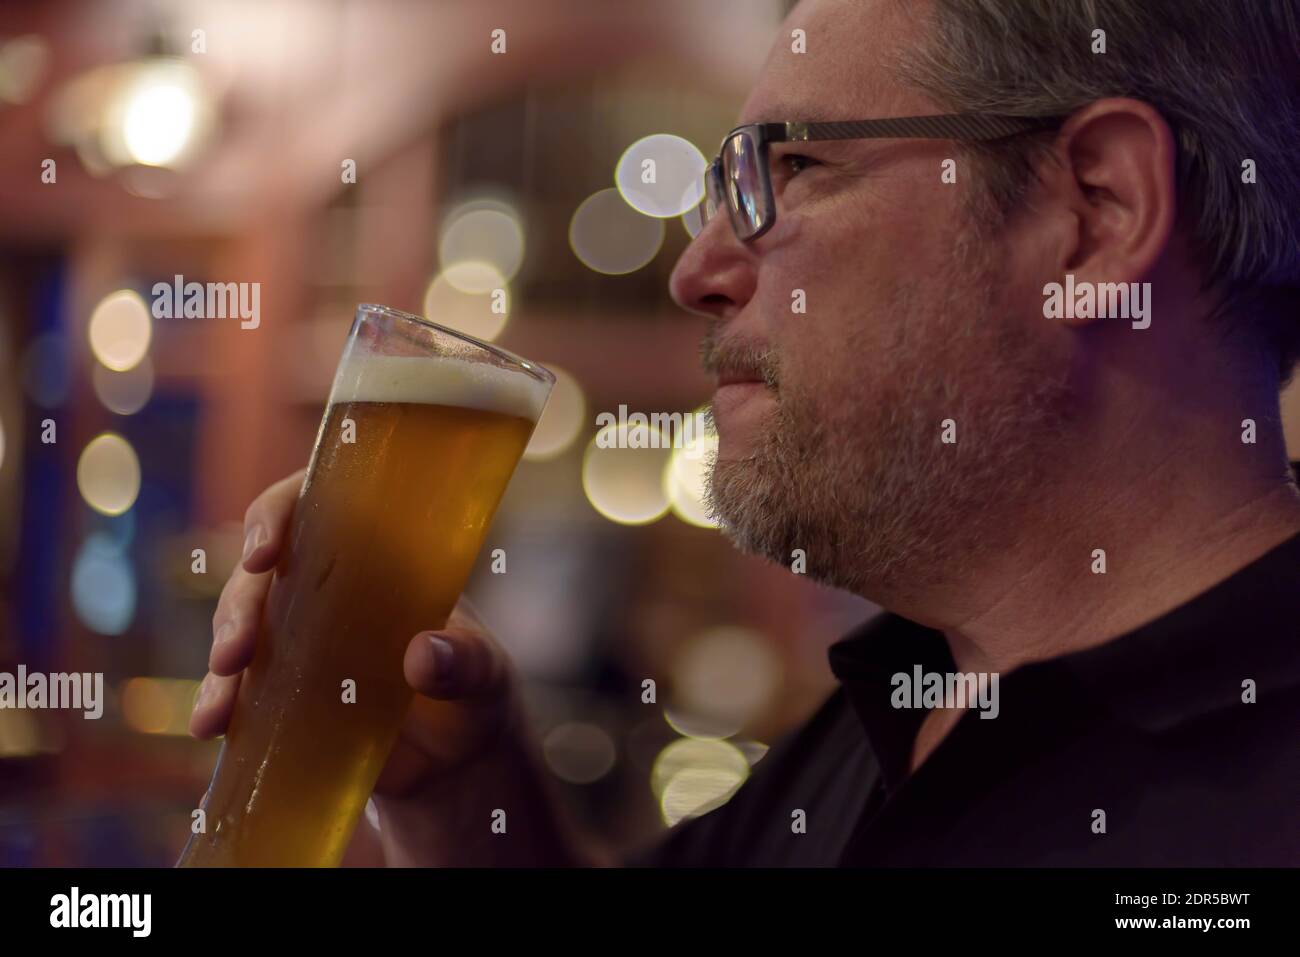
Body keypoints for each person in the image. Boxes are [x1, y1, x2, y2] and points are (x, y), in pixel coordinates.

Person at [189, 0, 1300, 866]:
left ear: (1096, 211)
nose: (694, 271)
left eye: (792, 170)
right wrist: (464, 791)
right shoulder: (906, 691)